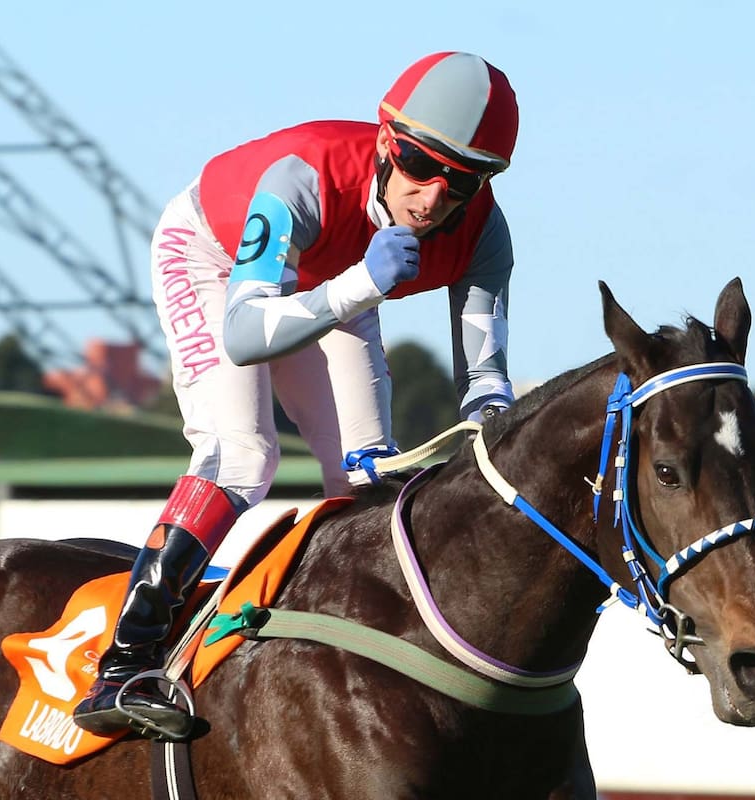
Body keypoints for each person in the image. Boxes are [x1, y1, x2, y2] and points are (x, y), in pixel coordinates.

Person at [73, 51, 519, 739]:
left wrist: (496, 431)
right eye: (420, 164)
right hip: (214, 261)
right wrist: (360, 286)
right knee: (242, 457)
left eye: (462, 180)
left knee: (370, 473)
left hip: (338, 277)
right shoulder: (302, 178)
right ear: (384, 143)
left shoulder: (485, 235)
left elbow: (485, 385)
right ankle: (125, 661)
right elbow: (248, 334)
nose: (432, 197)